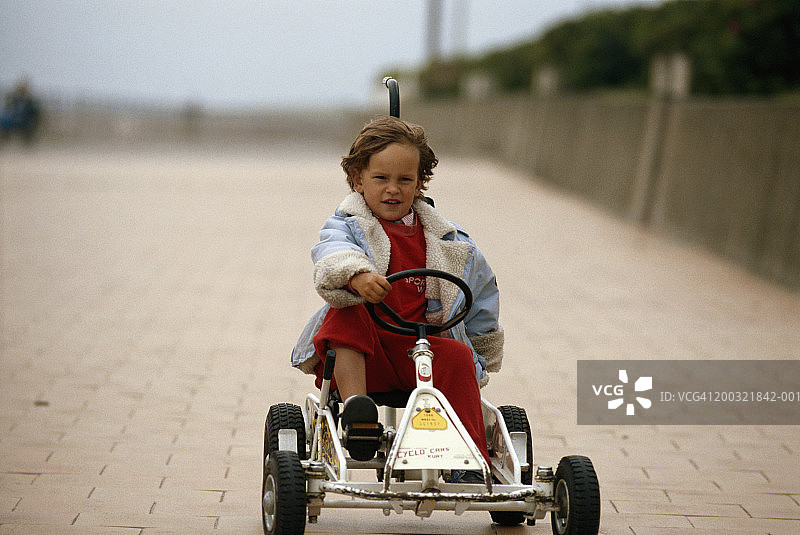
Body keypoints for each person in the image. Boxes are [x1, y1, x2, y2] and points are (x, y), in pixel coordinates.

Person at [291, 116, 503, 470]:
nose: (393, 189)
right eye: (381, 179)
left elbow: (480, 294)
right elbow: (333, 252)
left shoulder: (449, 242)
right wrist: (355, 275)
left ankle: (469, 458)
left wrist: (482, 348)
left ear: (420, 183)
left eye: (405, 180)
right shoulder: (348, 225)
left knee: (458, 357)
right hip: (363, 354)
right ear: (358, 180)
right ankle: (360, 418)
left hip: (420, 349)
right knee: (345, 311)